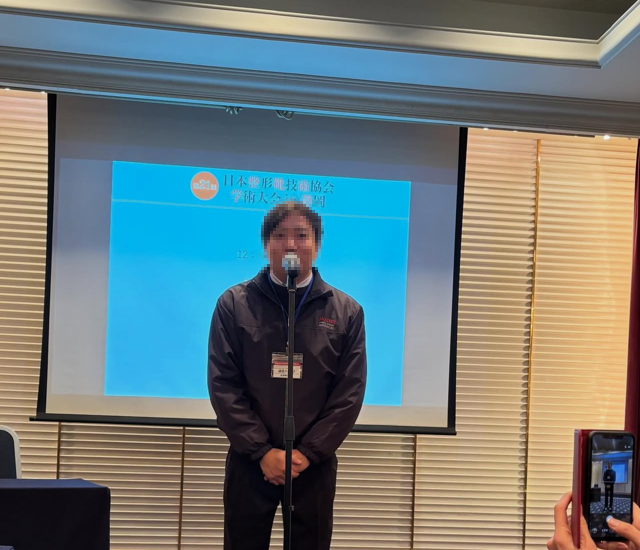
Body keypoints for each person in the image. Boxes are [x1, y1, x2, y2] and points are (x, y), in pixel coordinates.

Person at [208, 200, 367, 550]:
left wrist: (307, 453)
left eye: (301, 235)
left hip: (312, 465)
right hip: (251, 462)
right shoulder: (233, 304)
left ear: (317, 245)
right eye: (280, 235)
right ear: (266, 245)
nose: (291, 244)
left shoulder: (346, 312)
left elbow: (349, 393)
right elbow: (223, 385)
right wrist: (262, 451)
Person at [548, 492, 640, 550]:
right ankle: (606, 505)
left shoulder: (612, 472)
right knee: (607, 497)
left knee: (610, 496)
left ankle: (610, 505)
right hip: (606, 483)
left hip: (611, 483)